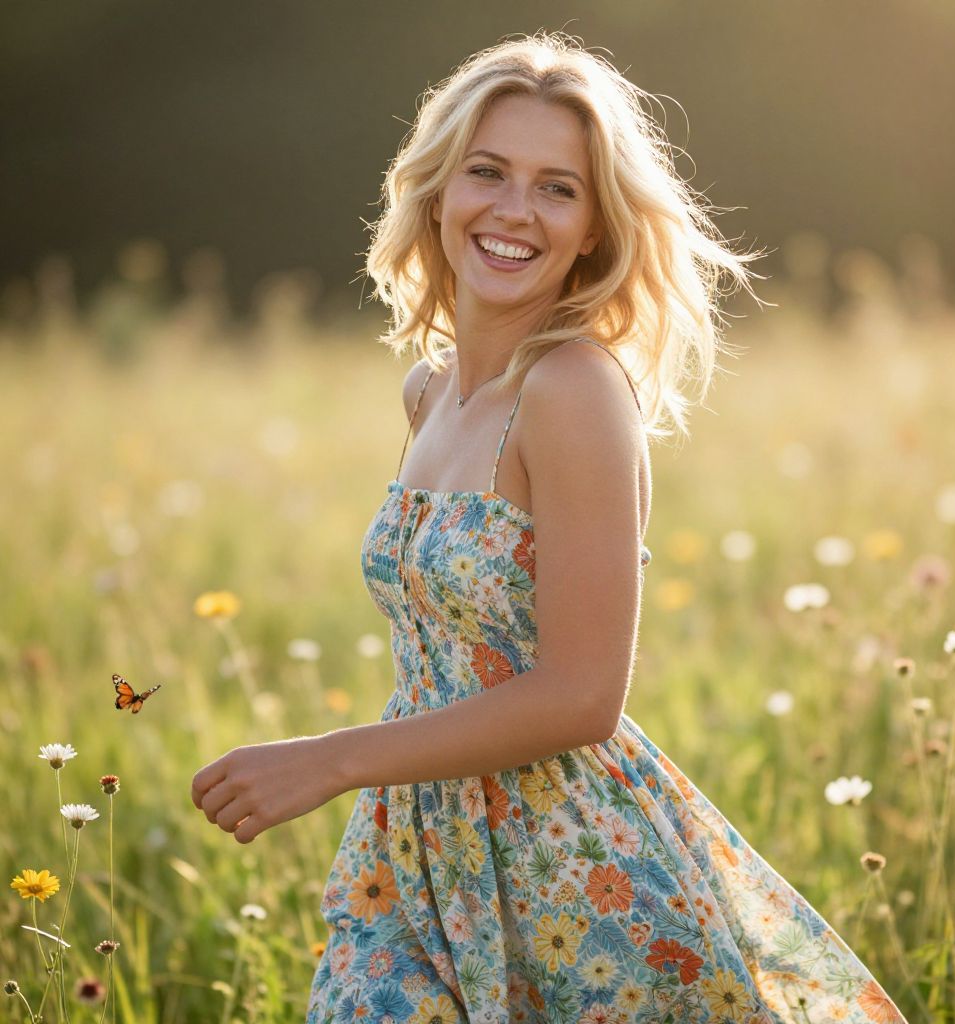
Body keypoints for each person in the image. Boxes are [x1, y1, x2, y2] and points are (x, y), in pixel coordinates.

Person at [191, 31, 908, 1024]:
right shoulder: (428, 389)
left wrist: (330, 758)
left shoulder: (572, 390)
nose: (514, 210)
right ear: (438, 191)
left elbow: (582, 694)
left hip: (567, 873)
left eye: (556, 189)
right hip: (420, 854)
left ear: (593, 231)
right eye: (487, 172)